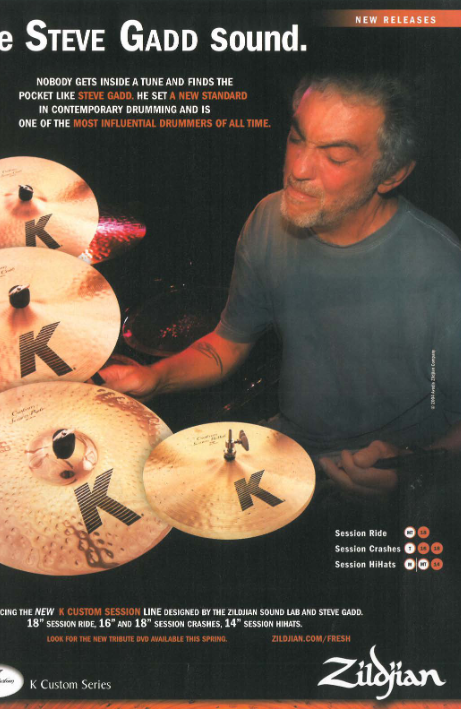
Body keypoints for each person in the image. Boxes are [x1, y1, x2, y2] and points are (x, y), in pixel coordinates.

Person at [99, 72, 461, 498]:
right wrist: (155, 378)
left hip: (393, 475)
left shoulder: (443, 272)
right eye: (296, 138)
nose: (298, 169)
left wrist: (415, 467)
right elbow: (227, 344)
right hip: (291, 449)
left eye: (335, 157)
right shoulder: (270, 220)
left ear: (392, 174)